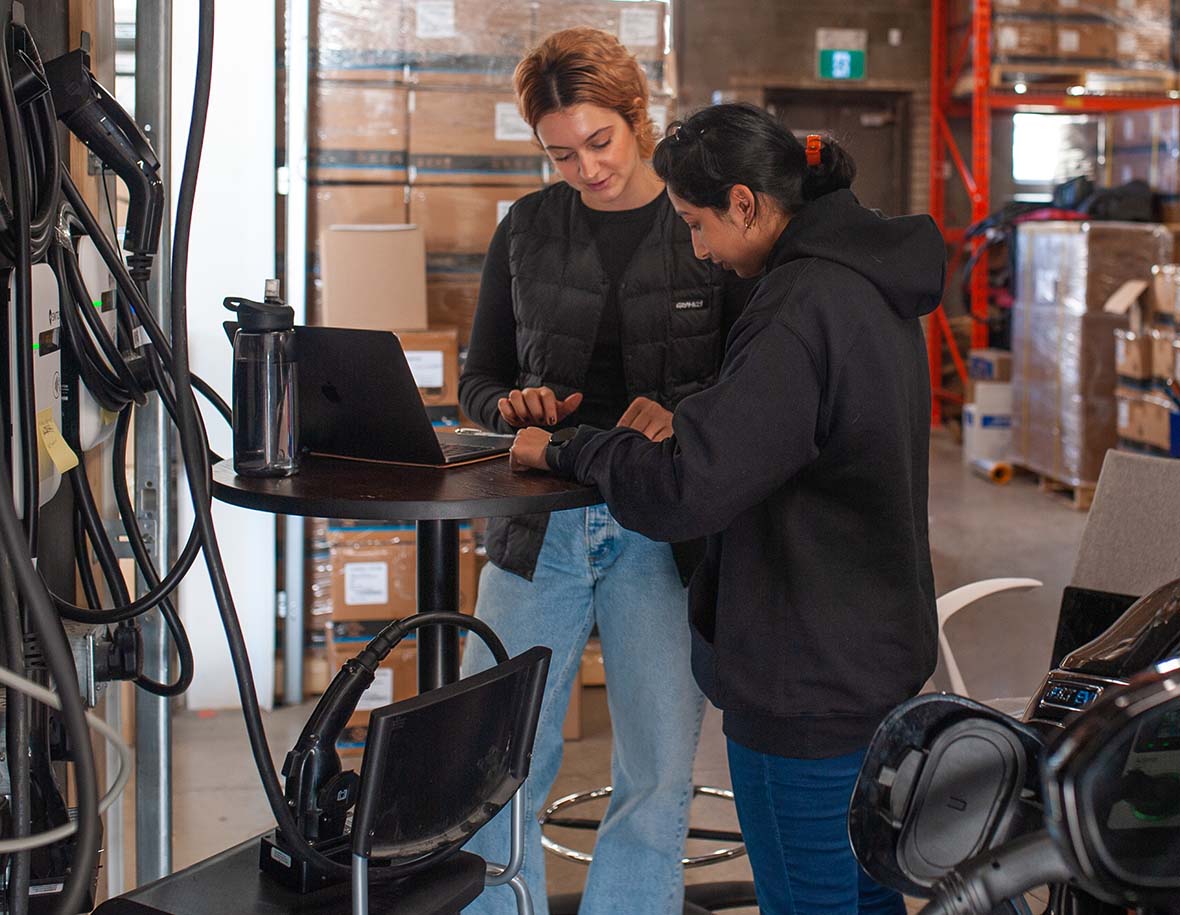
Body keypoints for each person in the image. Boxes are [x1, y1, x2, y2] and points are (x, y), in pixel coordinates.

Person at [510, 102, 945, 915]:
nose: (701, 248)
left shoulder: (796, 305)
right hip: (872, 663)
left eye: (697, 224)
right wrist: (701, 417)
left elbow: (688, 491)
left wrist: (570, 449)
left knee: (812, 902)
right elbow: (800, 431)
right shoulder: (867, 281)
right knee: (867, 896)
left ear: (744, 204)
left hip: (803, 678)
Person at [457, 29, 753, 915]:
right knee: (495, 762)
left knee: (657, 772)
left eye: (599, 142)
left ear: (637, 118)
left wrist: (685, 413)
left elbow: (754, 381)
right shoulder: (527, 228)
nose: (586, 169)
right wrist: (511, 405)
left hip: (663, 527)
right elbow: (479, 381)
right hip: (537, 524)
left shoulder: (704, 223)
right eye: (560, 153)